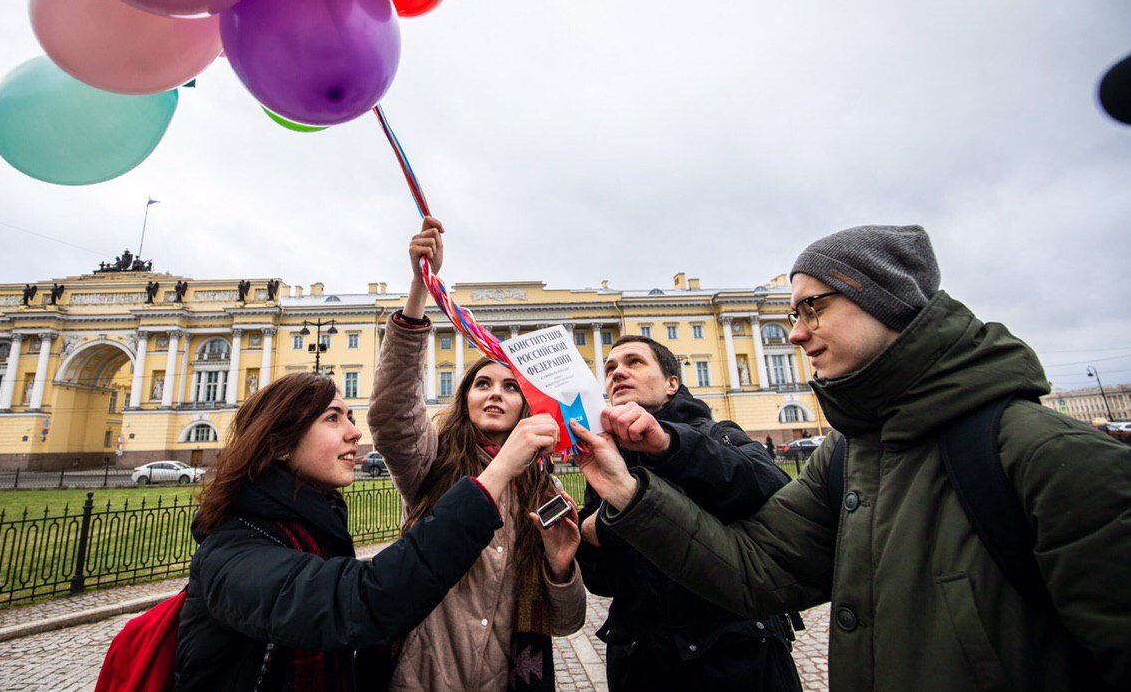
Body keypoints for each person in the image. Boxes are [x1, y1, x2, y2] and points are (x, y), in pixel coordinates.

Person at [573, 225, 1131, 692]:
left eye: (811, 308)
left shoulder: (1052, 455)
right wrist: (628, 494)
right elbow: (757, 569)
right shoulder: (847, 455)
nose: (793, 333)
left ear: (882, 300)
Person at [175, 370, 559, 691]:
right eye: (333, 418)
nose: (355, 433)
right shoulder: (233, 552)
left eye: (350, 417)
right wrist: (498, 473)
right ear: (278, 444)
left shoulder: (317, 530)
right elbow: (368, 600)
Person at [366, 217, 586, 692]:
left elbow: (567, 623)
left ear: (526, 404)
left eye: (510, 386)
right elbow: (391, 413)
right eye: (481, 383)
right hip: (421, 675)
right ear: (464, 397)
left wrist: (561, 566)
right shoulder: (433, 464)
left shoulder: (544, 488)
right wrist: (418, 289)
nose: (495, 394)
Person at [575, 334, 802, 690]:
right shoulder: (607, 461)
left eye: (634, 362)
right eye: (610, 368)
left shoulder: (716, 434)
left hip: (737, 663)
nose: (617, 372)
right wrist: (583, 535)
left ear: (672, 383)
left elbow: (774, 489)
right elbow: (604, 582)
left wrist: (667, 445)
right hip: (641, 666)